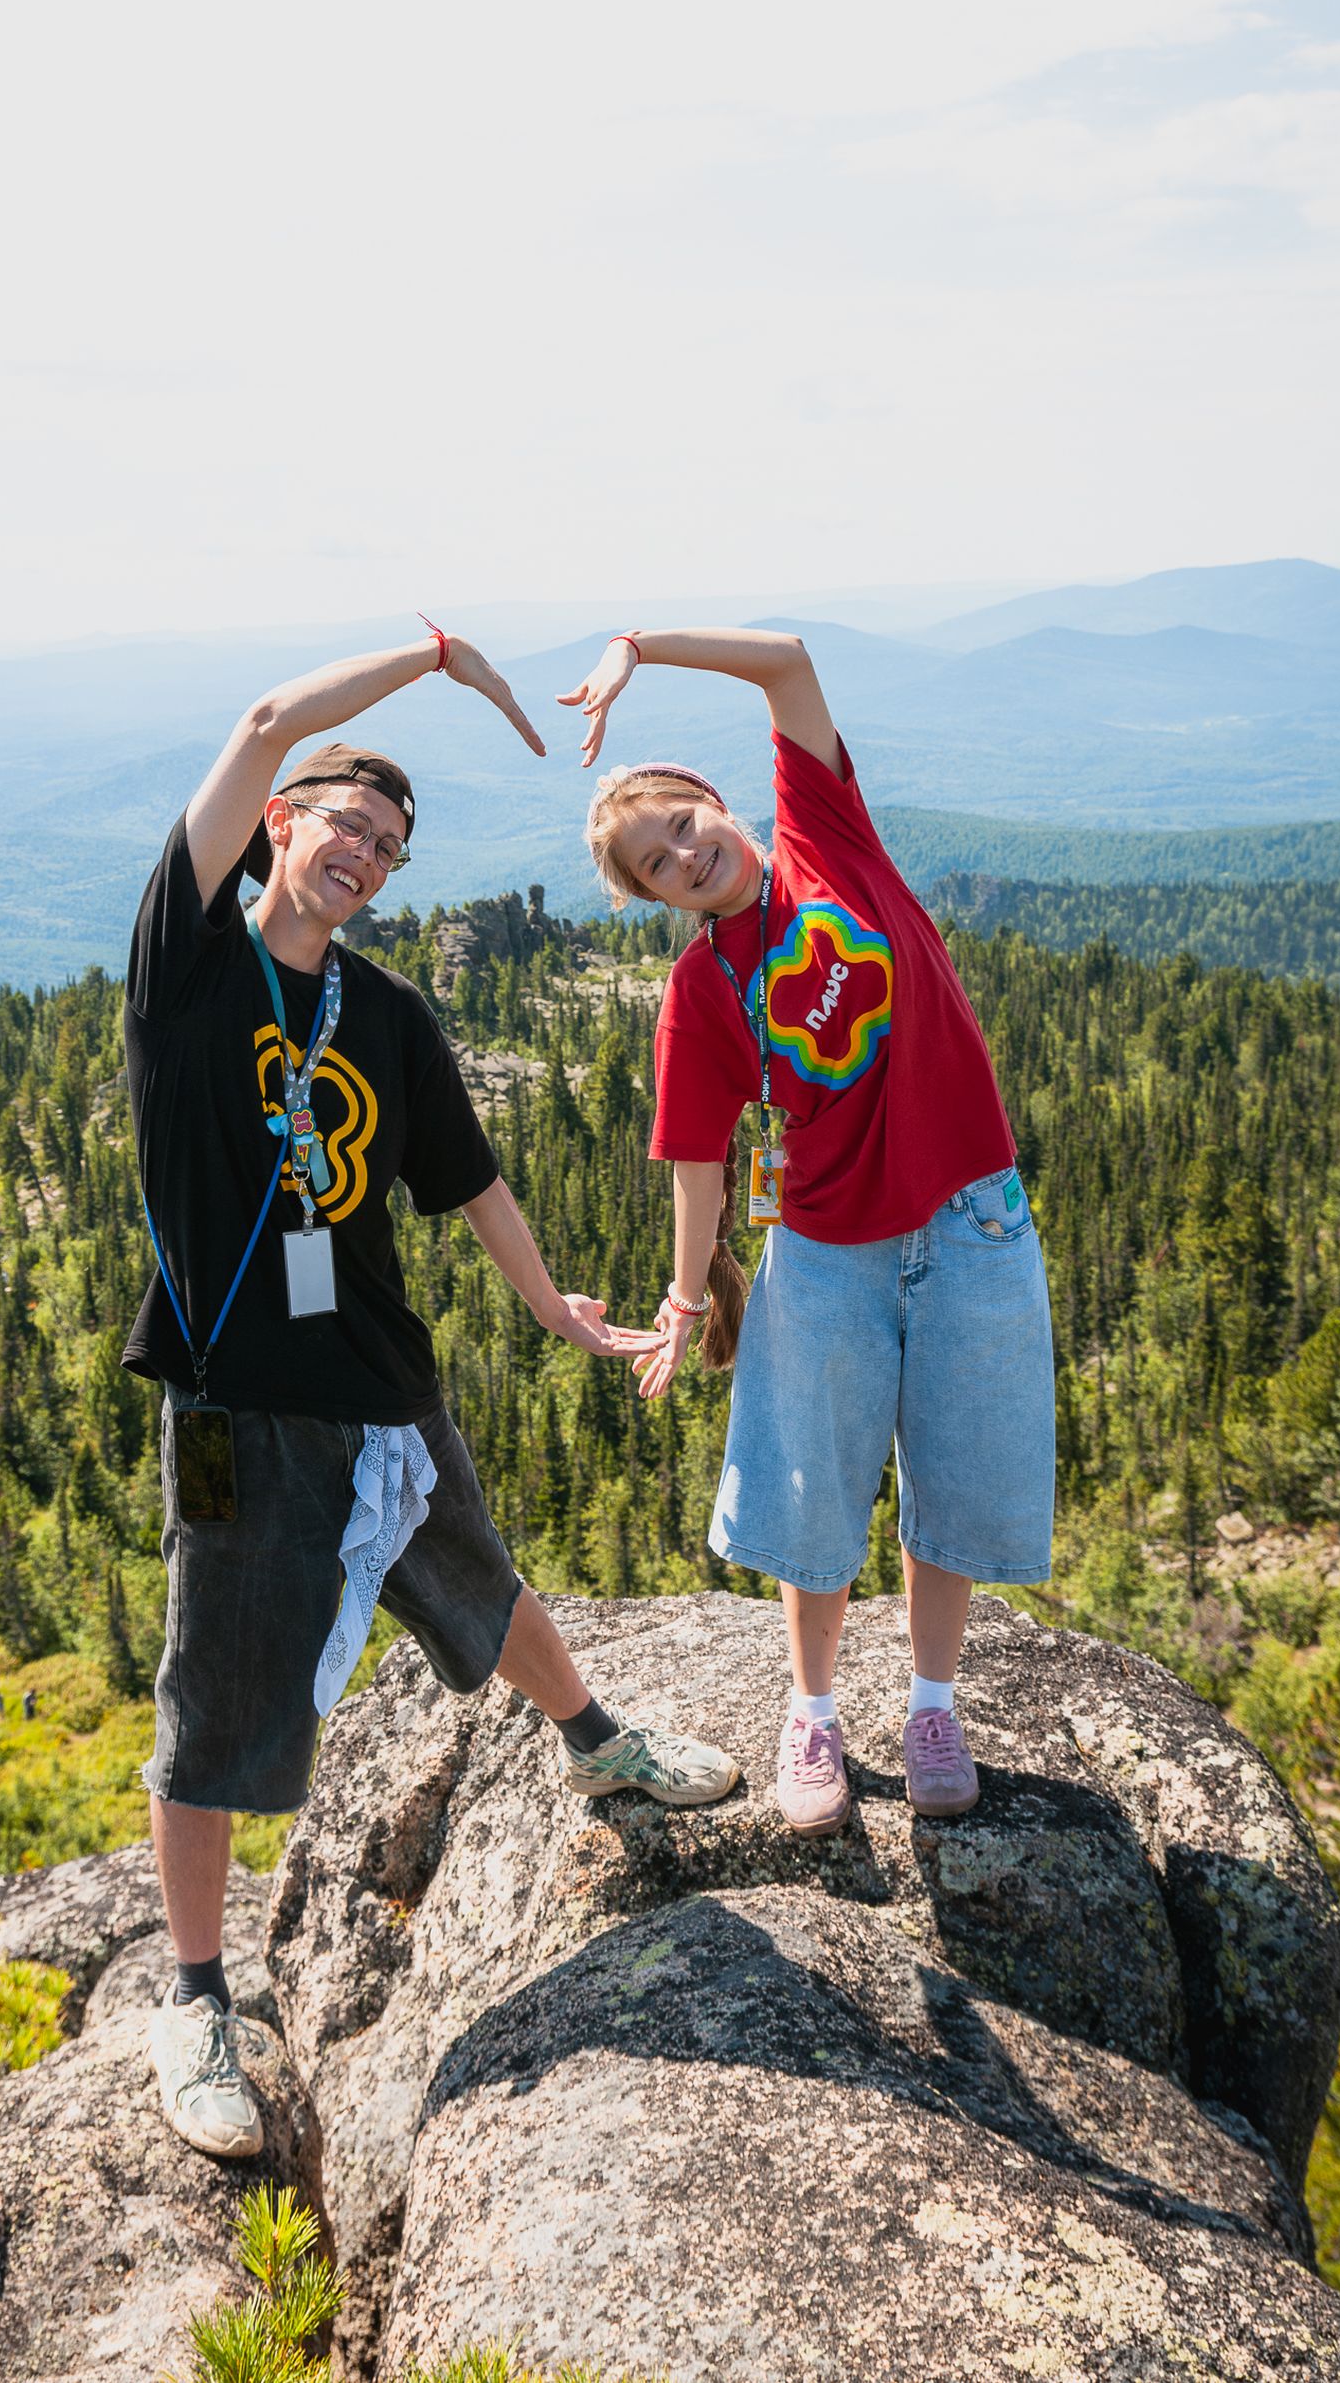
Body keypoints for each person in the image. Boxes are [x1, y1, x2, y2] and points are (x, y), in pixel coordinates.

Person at [123, 622, 740, 2161]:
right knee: (213, 1683)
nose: (365, 858)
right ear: (281, 823)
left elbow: (468, 1179)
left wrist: (552, 1305)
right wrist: (434, 657)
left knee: (473, 1572)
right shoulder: (190, 960)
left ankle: (600, 1741)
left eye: (389, 848)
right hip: (233, 1400)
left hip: (382, 1384)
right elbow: (264, 715)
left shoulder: (387, 1011)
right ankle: (193, 1998)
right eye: (347, 826)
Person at [561, 626, 1055, 1839]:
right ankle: (814, 1712)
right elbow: (695, 1164)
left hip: (972, 1211)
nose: (687, 852)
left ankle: (933, 1708)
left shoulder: (829, 832)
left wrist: (637, 647)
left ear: (717, 800)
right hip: (829, 1246)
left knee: (955, 1471)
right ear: (662, 900)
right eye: (660, 863)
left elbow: (785, 661)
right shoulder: (697, 994)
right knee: (814, 1488)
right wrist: (687, 1296)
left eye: (685, 823)